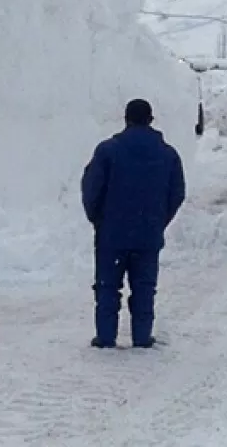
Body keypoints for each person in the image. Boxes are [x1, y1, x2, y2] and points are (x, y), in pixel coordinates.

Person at [80, 98, 186, 348]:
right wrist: (159, 220)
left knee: (107, 287)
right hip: (148, 233)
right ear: (150, 120)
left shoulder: (107, 151)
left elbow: (91, 188)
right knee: (144, 287)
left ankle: (106, 337)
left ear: (126, 119)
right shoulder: (168, 155)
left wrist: (98, 219)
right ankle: (141, 336)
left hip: (111, 234)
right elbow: (177, 193)